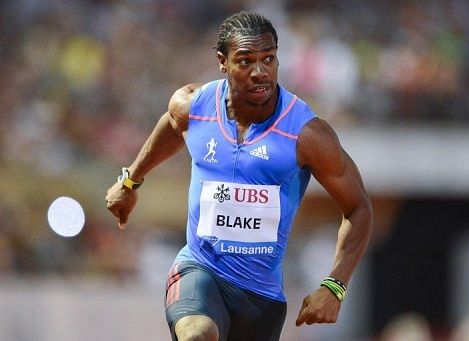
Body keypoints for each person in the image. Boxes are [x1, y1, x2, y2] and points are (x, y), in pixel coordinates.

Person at [106, 11, 373, 341]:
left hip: (261, 300)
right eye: (245, 61)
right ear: (223, 61)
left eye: (269, 59)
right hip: (200, 270)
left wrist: (335, 285)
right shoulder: (193, 105)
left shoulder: (307, 135)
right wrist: (130, 180)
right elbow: (172, 126)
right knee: (197, 333)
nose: (260, 72)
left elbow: (359, 208)